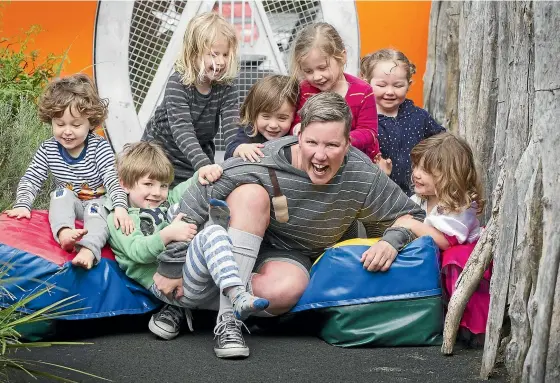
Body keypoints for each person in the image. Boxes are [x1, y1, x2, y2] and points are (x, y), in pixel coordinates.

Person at [153, 92, 426, 359]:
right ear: (298, 135)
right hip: (231, 240)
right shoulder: (263, 159)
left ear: (347, 144)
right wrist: (173, 262)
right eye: (312, 142)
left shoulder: (361, 173)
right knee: (250, 194)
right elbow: (199, 196)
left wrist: (391, 240)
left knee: (289, 289)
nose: (320, 155)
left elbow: (411, 214)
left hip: (284, 255)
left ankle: (186, 302)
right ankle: (228, 322)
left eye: (332, 145)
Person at [106, 141, 269, 359]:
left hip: (192, 275)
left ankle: (233, 286)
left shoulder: (166, 202)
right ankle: (233, 292)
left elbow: (189, 187)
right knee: (209, 231)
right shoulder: (121, 219)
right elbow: (137, 252)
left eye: (163, 185)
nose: (157, 192)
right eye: (148, 184)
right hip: (168, 287)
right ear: (124, 184)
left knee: (193, 212)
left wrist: (204, 172)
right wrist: (167, 234)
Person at [4, 74, 133, 270]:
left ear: (91, 122)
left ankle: (88, 250)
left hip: (96, 202)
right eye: (60, 124)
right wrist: (23, 205)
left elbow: (112, 179)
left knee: (98, 212)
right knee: (59, 194)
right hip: (69, 204)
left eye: (76, 124)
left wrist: (120, 207)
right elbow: (32, 178)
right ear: (51, 121)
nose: (67, 131)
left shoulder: (100, 148)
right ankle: (64, 232)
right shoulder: (48, 149)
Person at [398, 132, 489, 346]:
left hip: (460, 264)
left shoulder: (461, 206)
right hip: (432, 264)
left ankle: (463, 321)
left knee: (454, 257)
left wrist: (412, 224)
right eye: (416, 167)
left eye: (426, 171)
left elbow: (447, 241)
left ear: (450, 175)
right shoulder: (420, 200)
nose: (416, 174)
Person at [142, 12, 240, 187]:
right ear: (193, 53)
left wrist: (238, 150)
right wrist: (203, 165)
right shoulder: (178, 83)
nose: (221, 61)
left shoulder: (227, 87)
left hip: (197, 155)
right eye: (214, 54)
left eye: (225, 55)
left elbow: (231, 127)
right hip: (161, 155)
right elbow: (182, 130)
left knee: (201, 193)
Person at [288, 22, 379, 161]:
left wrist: (339, 141)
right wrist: (298, 129)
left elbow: (369, 132)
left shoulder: (363, 91)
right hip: (316, 161)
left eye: (322, 68)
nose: (316, 76)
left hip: (354, 163)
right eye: (308, 71)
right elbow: (295, 123)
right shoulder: (305, 90)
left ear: (341, 57)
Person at [360, 48, 445, 194]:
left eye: (398, 85)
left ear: (409, 85)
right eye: (381, 85)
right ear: (367, 83)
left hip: (417, 195)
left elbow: (443, 143)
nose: (390, 91)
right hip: (378, 197)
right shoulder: (363, 121)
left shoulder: (419, 117)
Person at [224, 75, 298, 162]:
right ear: (254, 114)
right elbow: (229, 153)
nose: (273, 125)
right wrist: (241, 148)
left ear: (294, 116)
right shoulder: (250, 129)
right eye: (266, 117)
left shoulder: (295, 135)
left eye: (282, 118)